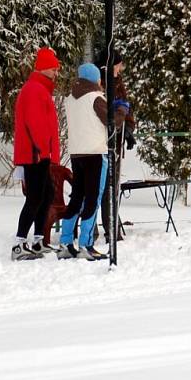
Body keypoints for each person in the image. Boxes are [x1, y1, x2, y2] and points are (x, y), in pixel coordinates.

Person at [57, 63, 121, 260]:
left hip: (77, 153)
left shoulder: (70, 99)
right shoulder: (95, 98)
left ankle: (66, 242)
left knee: (77, 197)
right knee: (93, 198)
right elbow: (111, 123)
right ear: (95, 79)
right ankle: (86, 244)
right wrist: (122, 112)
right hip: (95, 152)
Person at [11, 47, 62, 261]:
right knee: (34, 198)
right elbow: (35, 123)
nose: (56, 73)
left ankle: (38, 240)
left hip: (39, 154)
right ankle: (19, 244)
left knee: (46, 195)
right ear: (44, 68)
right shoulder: (34, 90)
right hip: (34, 154)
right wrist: (43, 148)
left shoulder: (40, 89)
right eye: (53, 68)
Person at [95, 48, 136, 243]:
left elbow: (126, 106)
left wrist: (129, 128)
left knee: (111, 183)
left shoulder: (118, 83)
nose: (121, 68)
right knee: (101, 184)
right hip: (101, 141)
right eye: (118, 64)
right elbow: (112, 110)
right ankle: (105, 226)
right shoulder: (99, 84)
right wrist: (122, 118)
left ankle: (111, 224)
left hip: (116, 138)